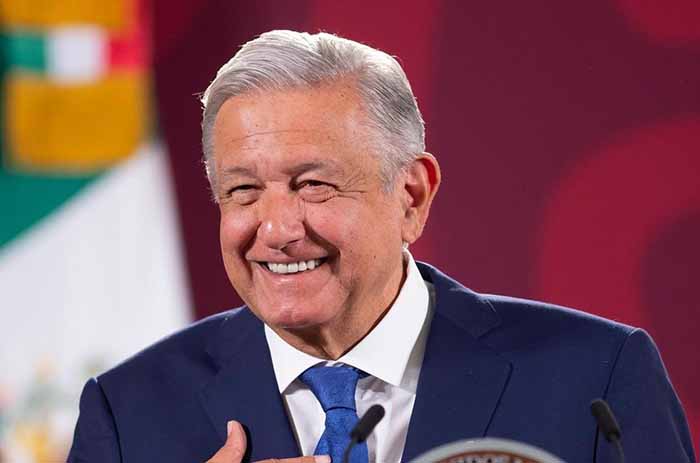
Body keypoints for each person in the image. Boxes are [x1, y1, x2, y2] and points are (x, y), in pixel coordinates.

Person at [68, 30, 695, 463]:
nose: (277, 229)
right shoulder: (129, 414)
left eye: (313, 185)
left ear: (412, 196)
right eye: (243, 191)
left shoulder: (595, 379)